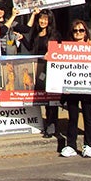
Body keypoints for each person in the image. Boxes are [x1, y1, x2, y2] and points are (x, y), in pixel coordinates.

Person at [60, 20, 91, 158]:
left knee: (88, 117)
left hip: (88, 88)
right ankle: (71, 145)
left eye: (81, 30)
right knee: (73, 117)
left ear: (85, 32)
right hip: (72, 88)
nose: (78, 33)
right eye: (75, 31)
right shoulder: (66, 48)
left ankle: (89, 145)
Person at [22, 7, 61, 137]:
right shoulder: (36, 33)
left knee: (51, 100)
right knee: (43, 99)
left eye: (45, 19)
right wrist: (22, 38)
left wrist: (52, 53)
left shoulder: (54, 35)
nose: (43, 21)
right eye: (41, 19)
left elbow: (59, 51)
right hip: (39, 70)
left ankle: (52, 126)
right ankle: (47, 124)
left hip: (50, 70)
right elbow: (30, 48)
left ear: (50, 20)